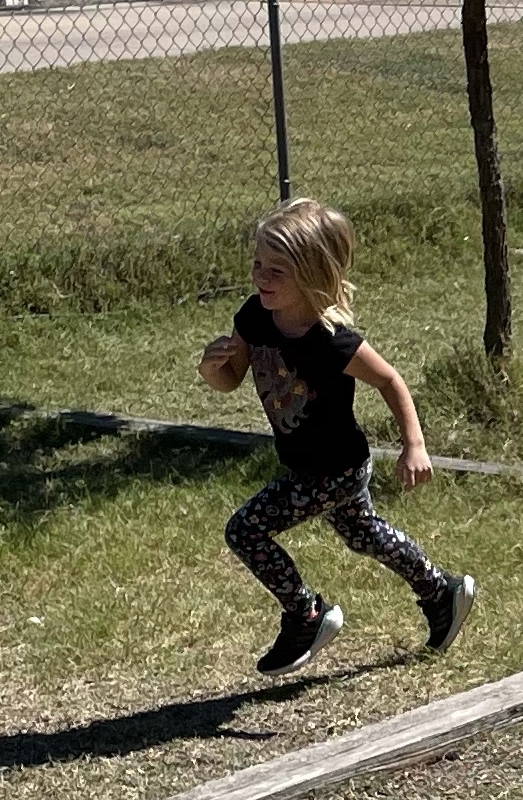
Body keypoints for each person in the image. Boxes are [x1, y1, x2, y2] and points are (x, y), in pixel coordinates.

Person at [200, 198, 475, 675]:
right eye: (258, 264)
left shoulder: (330, 339)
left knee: (246, 530)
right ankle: (441, 592)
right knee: (364, 534)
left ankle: (307, 616)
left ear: (311, 273)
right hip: (306, 462)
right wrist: (211, 369)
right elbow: (231, 379)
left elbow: (389, 380)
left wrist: (414, 444)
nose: (261, 277)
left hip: (335, 468)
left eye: (276, 270)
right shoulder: (254, 317)